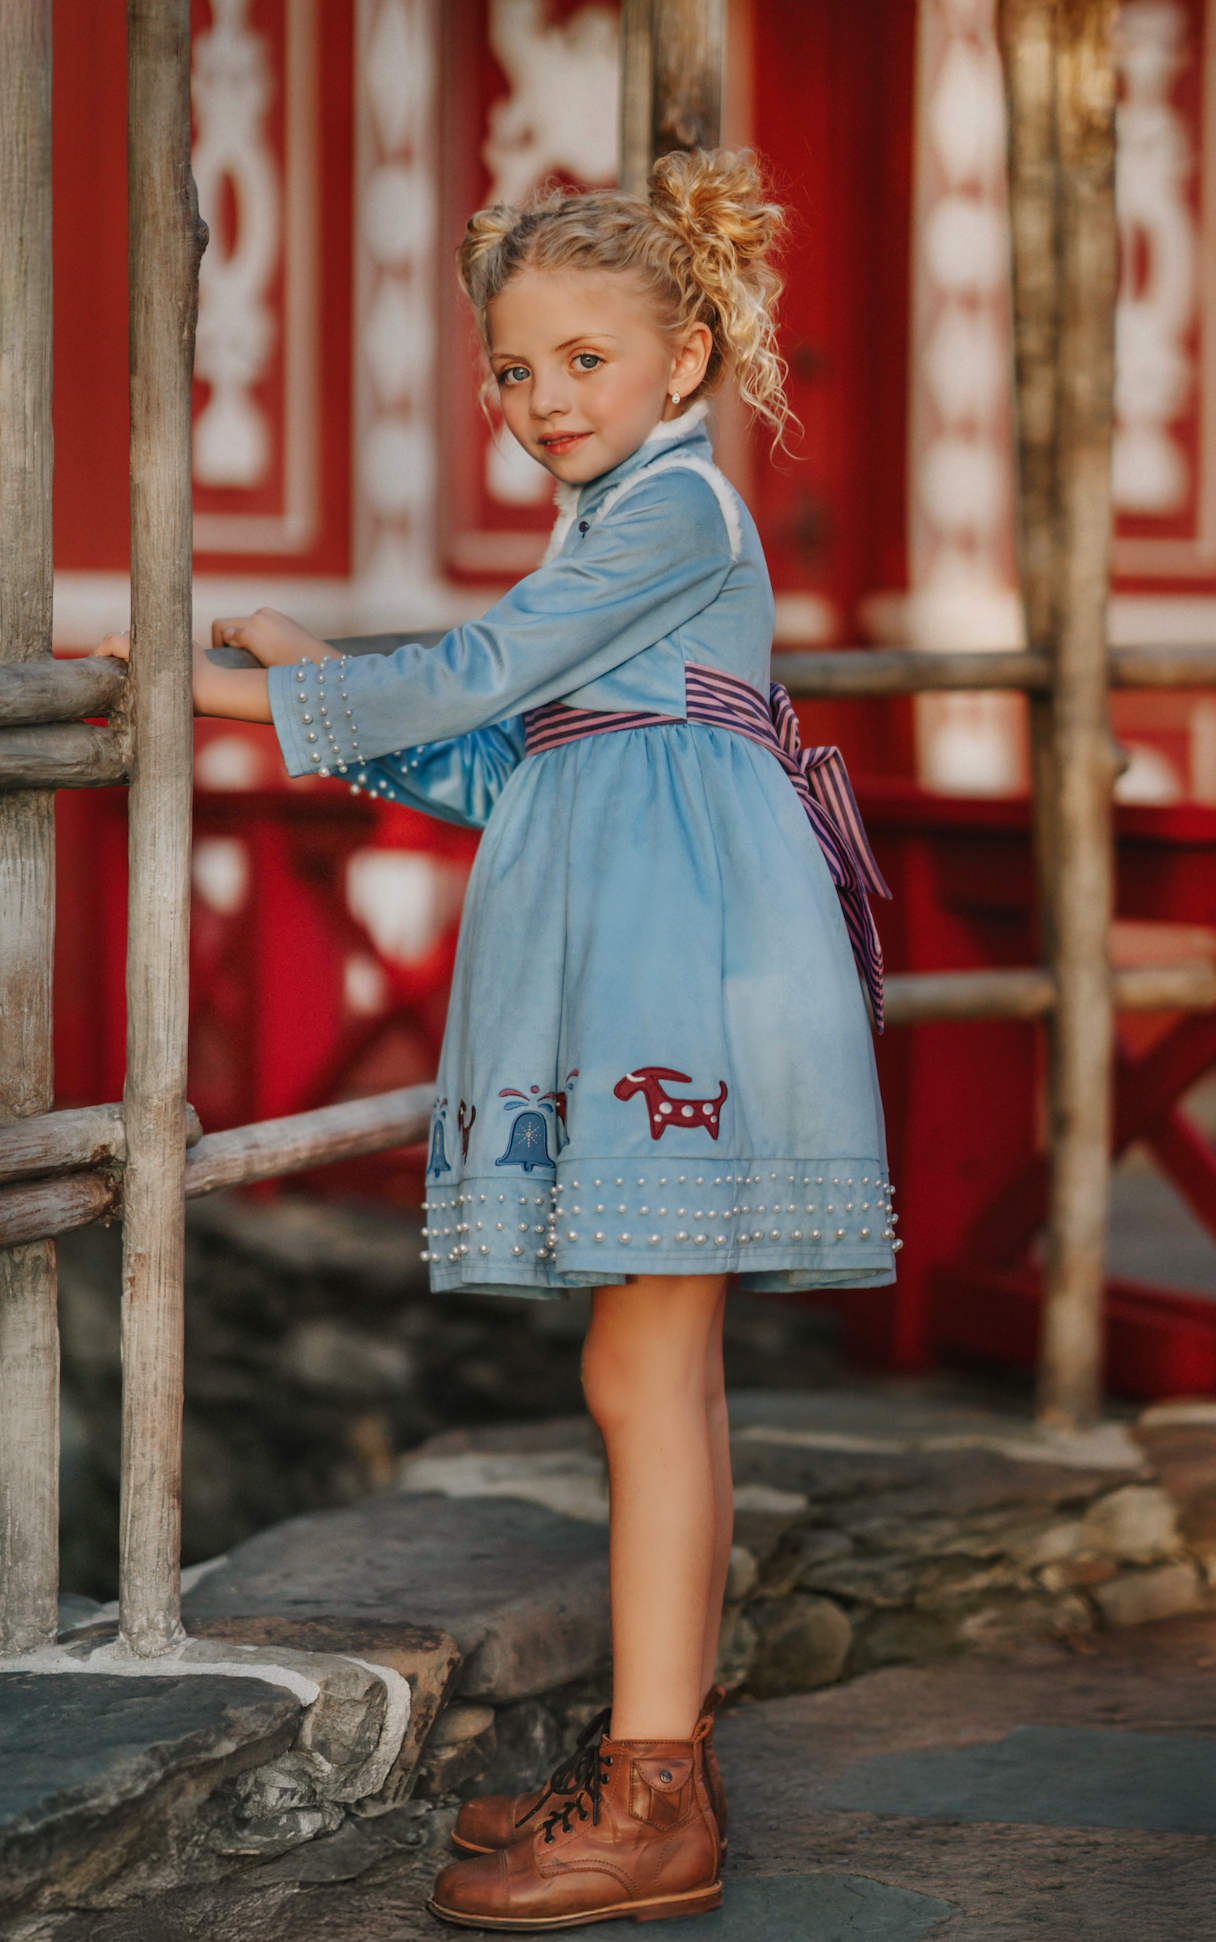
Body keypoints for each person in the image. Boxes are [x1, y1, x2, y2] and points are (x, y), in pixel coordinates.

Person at [97, 146, 896, 1931]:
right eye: (514, 370)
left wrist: (202, 675)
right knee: (650, 1373)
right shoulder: (616, 539)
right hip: (646, 967)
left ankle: (658, 1793)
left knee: (643, 1375)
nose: (543, 401)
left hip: (676, 984)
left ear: (684, 358)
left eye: (584, 362)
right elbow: (497, 752)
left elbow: (473, 678)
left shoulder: (681, 516)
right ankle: (649, 1756)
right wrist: (314, 667)